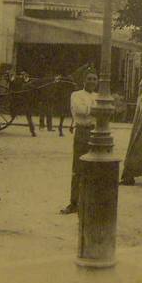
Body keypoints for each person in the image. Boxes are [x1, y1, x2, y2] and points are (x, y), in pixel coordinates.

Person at [60, 71, 98, 215]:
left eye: (94, 79)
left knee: (95, 169)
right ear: (84, 80)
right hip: (82, 132)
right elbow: (81, 111)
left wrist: (93, 110)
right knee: (78, 168)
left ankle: (90, 203)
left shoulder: (98, 96)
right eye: (89, 79)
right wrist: (97, 109)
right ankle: (74, 203)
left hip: (96, 133)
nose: (92, 81)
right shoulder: (76, 95)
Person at [9, 70, 37, 136]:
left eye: (24, 75)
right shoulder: (18, 81)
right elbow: (13, 89)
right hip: (20, 99)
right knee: (28, 115)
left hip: (25, 99)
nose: (22, 76)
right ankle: (32, 130)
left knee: (29, 115)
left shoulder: (26, 82)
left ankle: (32, 130)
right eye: (22, 75)